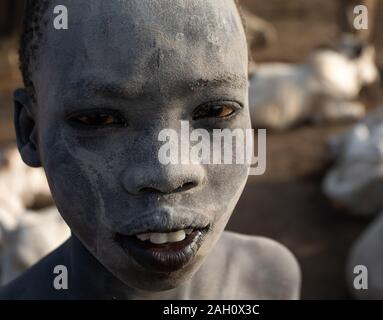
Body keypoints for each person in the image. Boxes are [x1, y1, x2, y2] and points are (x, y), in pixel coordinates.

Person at [0, 0, 300, 299]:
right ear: (30, 131)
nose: (167, 173)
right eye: (98, 119)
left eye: (216, 109)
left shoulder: (267, 278)